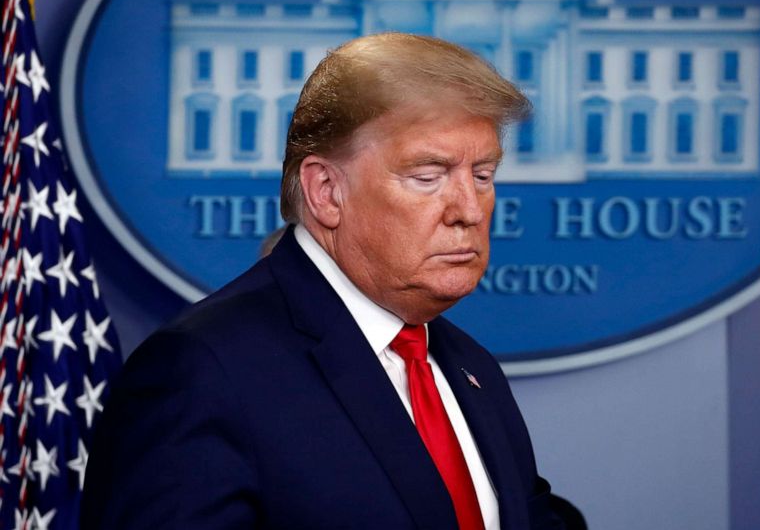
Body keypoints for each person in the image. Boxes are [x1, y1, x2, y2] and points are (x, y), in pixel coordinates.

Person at [81, 33, 565, 529]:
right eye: (428, 176)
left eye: (482, 175)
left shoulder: (467, 365)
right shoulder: (203, 370)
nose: (468, 209)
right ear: (327, 191)